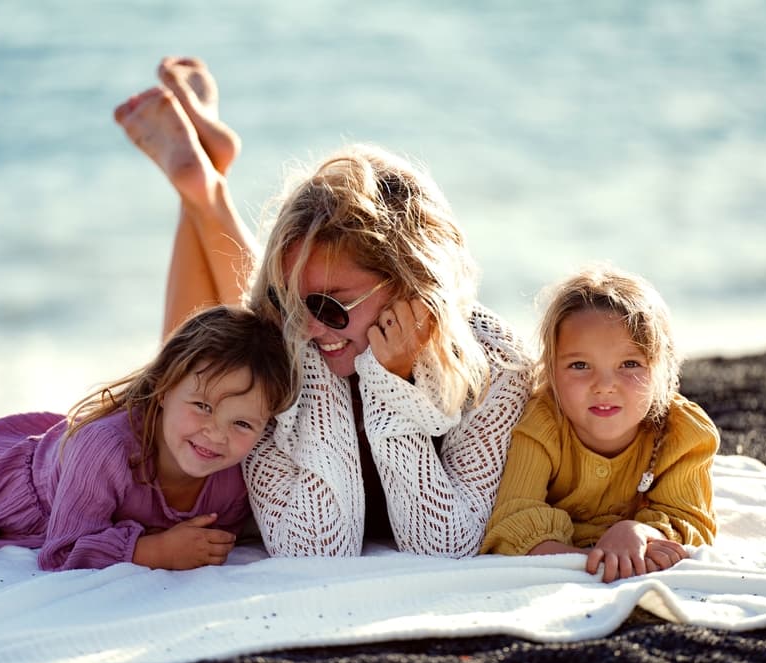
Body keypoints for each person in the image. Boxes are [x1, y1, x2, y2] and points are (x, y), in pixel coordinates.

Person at [114, 57, 533, 558]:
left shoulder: (496, 365)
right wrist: (316, 352)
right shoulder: (289, 337)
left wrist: (388, 386)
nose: (308, 326)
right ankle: (202, 189)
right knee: (197, 359)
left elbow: (443, 545)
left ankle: (203, 188)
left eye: (330, 304)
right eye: (289, 297)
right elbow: (313, 548)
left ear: (412, 284)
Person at [0, 291, 294, 571]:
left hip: (54, 457)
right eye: (202, 406)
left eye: (241, 423)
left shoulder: (235, 478)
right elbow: (60, 551)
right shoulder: (105, 452)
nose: (215, 435)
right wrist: (153, 552)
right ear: (161, 390)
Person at [480, 266, 719, 582]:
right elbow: (512, 524)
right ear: (551, 370)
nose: (604, 385)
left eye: (629, 364)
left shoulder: (682, 432)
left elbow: (691, 523)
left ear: (661, 369)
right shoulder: (543, 423)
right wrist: (593, 559)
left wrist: (636, 530)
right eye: (580, 365)